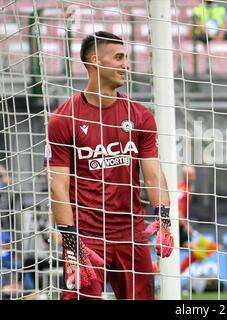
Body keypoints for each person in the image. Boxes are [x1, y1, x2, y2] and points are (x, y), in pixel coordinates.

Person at [45, 31, 174, 300]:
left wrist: (163, 218)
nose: (125, 65)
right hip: (85, 237)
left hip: (131, 233)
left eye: (125, 58)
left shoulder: (140, 115)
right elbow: (57, 186)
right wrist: (71, 243)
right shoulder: (63, 118)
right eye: (118, 58)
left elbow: (153, 174)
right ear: (95, 61)